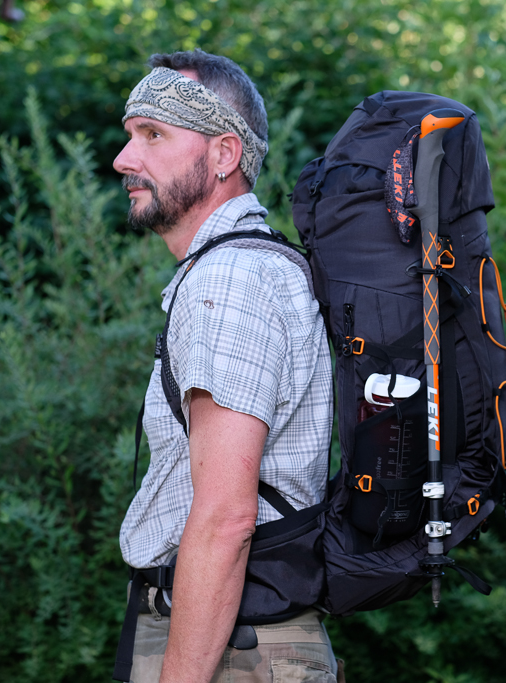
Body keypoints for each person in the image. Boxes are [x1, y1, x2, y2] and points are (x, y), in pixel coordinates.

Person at [113, 50, 340, 683]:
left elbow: (226, 518)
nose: (124, 159)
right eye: (130, 135)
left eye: (154, 134)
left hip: (235, 652)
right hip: (237, 639)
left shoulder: (232, 280)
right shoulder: (248, 266)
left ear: (224, 155)